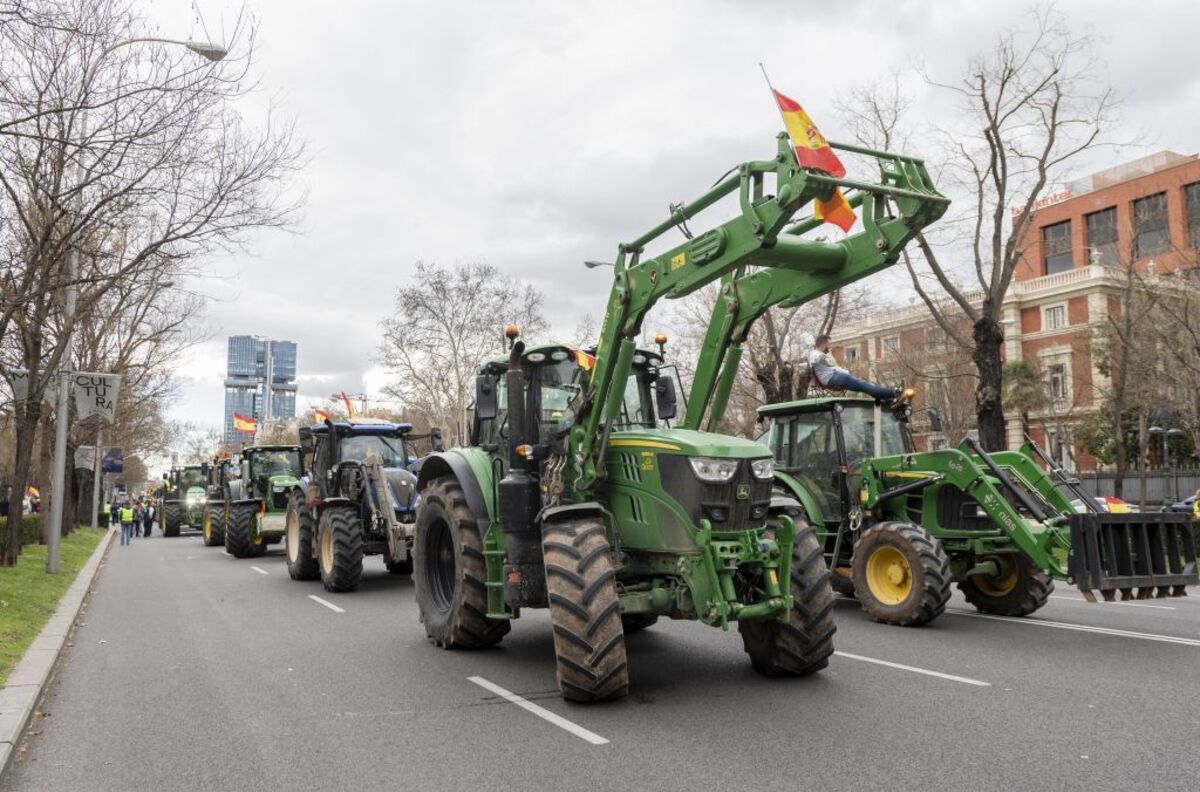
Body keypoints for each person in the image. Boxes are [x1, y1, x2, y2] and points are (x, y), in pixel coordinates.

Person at [807, 334, 905, 403]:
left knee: (865, 386)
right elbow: (814, 361)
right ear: (823, 344)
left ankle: (888, 398)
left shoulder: (828, 355)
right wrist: (820, 358)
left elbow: (835, 366)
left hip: (840, 376)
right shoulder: (815, 353)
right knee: (864, 385)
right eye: (829, 344)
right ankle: (894, 392)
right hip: (833, 378)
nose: (830, 346)